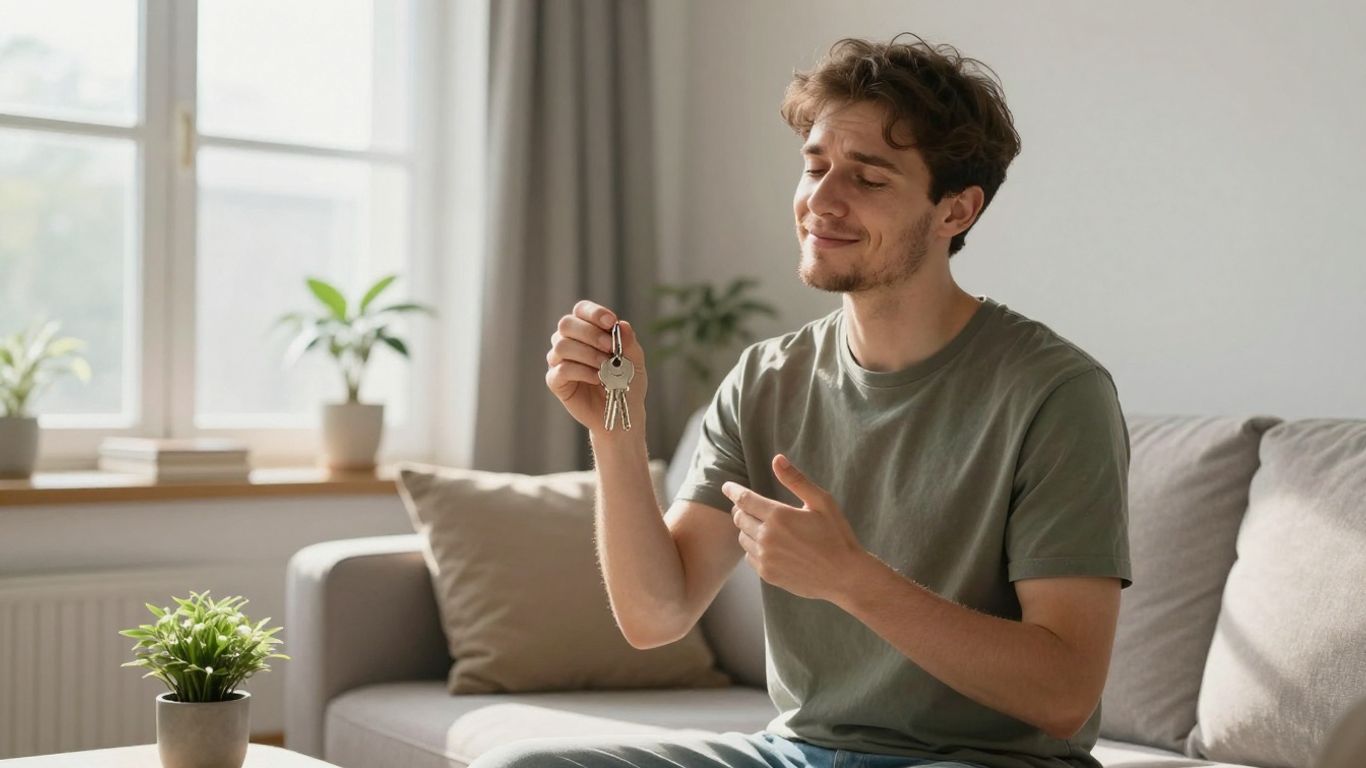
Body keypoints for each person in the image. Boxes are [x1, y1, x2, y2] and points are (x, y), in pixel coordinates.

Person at [507, 35, 1132, 768]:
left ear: (954, 211)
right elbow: (656, 615)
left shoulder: (1055, 392)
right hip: (797, 753)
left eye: (868, 179)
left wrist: (850, 579)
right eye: (814, 166)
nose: (821, 201)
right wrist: (616, 427)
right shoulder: (766, 376)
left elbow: (1063, 694)